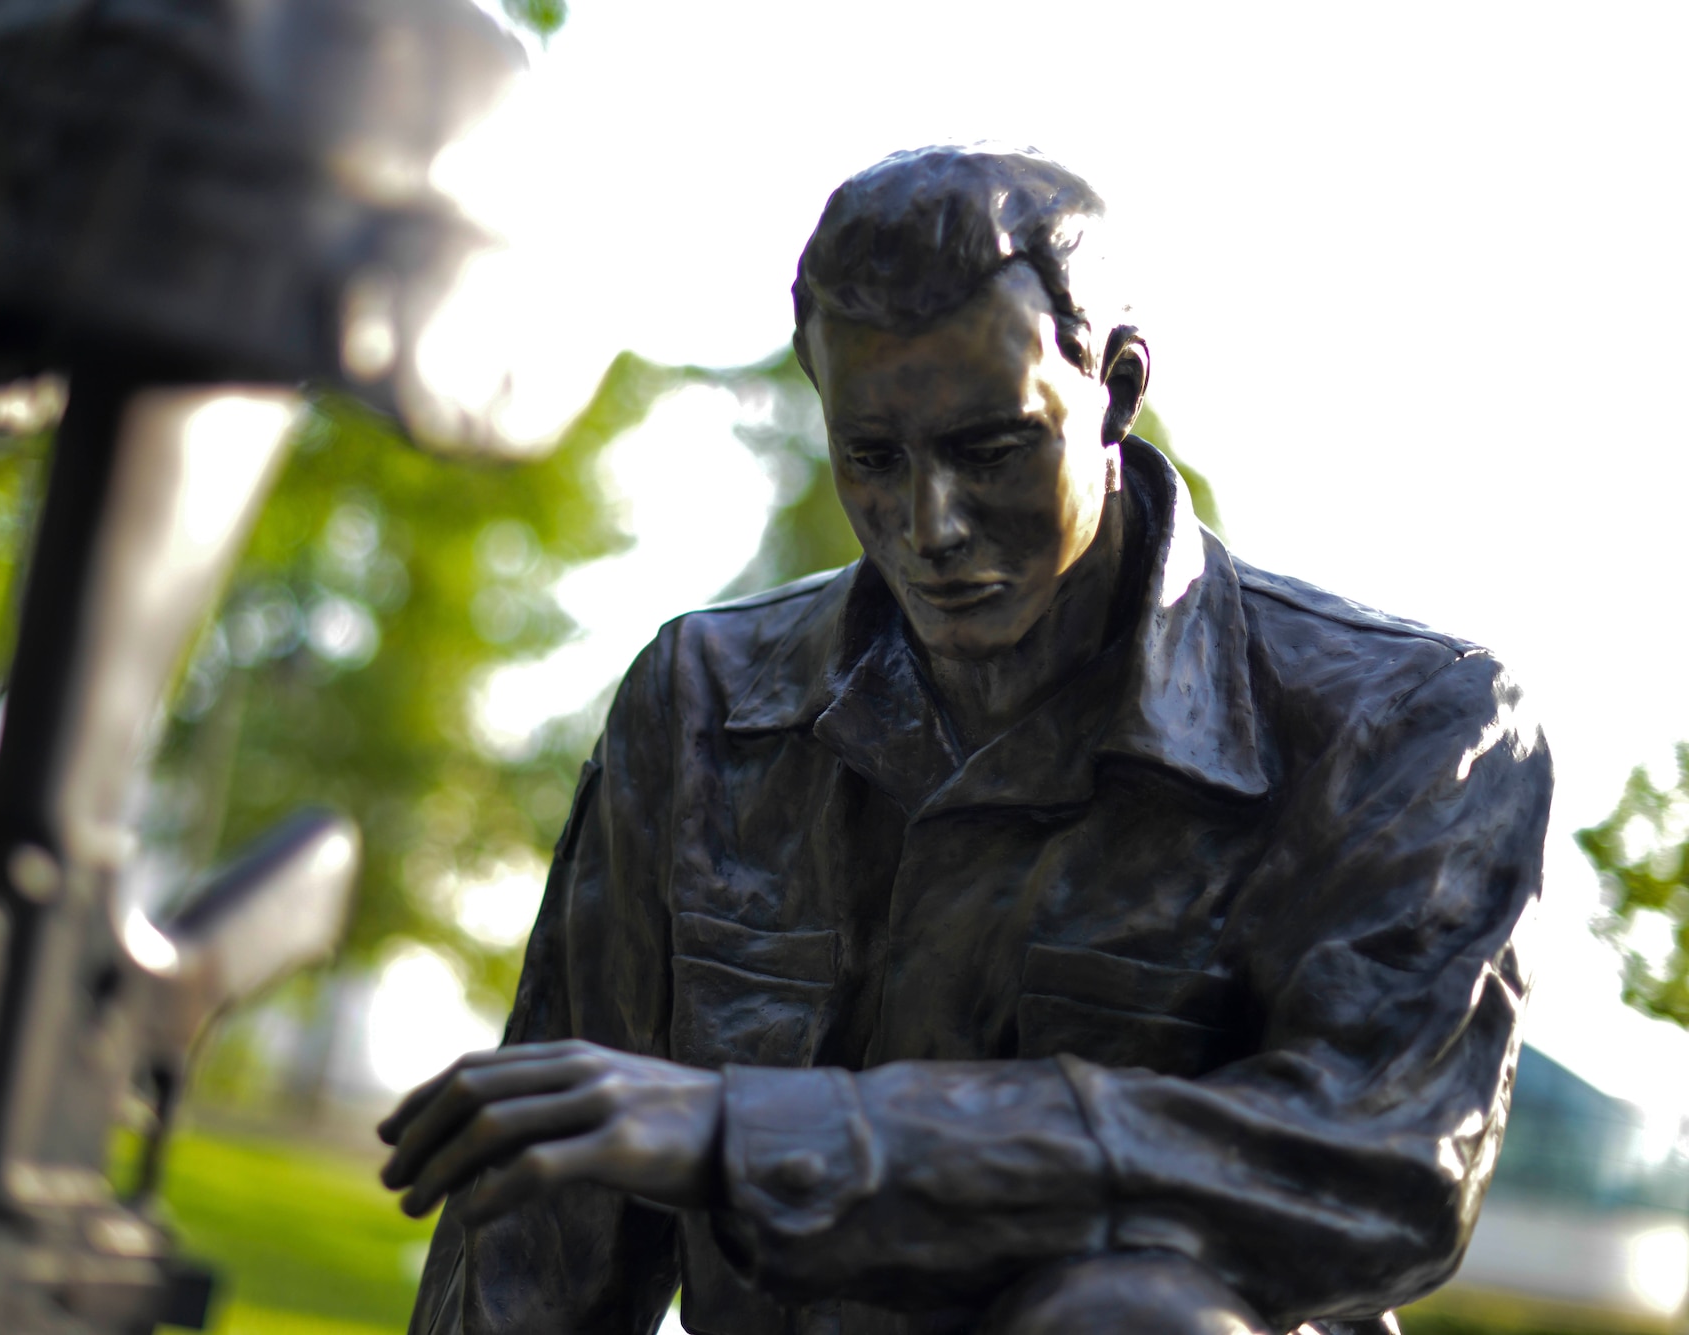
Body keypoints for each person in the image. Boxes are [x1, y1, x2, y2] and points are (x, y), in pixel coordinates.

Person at [377, 145, 1553, 1335]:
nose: (927, 525)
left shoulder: (1406, 723)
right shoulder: (703, 700)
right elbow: (544, 1222)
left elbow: (1375, 1164)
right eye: (871, 458)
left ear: (1119, 385)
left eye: (991, 450)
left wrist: (761, 1134)